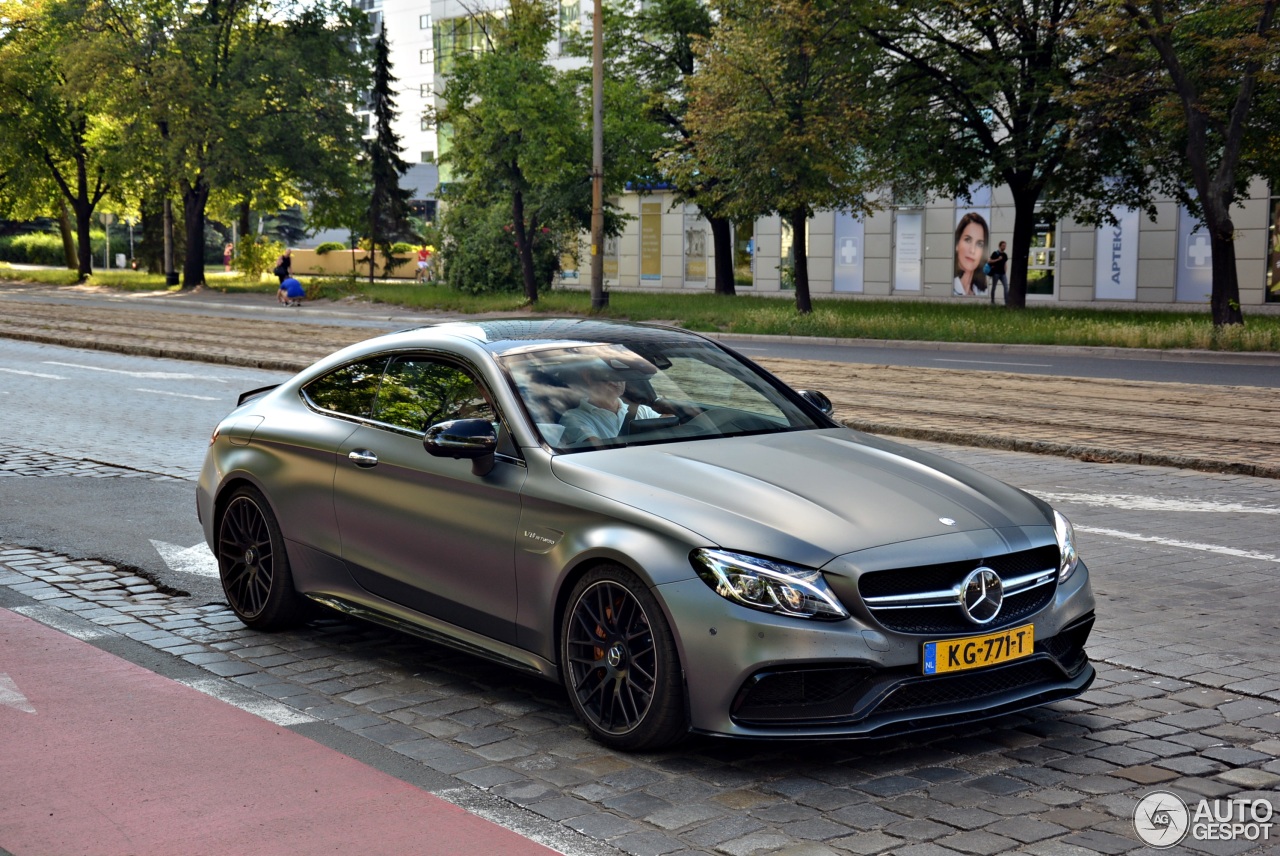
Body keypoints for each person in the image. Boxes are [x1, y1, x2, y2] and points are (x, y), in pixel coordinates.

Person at [558, 364, 660, 446]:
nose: (617, 381)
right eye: (609, 374)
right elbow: (598, 450)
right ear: (588, 376)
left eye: (621, 375)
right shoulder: (573, 418)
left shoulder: (642, 410)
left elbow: (670, 425)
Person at [953, 212, 989, 296]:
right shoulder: (949, 287)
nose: (972, 250)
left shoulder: (983, 293)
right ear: (957, 244)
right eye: (968, 240)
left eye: (979, 244)